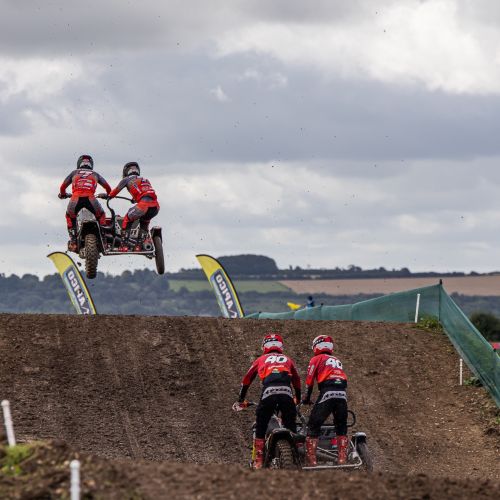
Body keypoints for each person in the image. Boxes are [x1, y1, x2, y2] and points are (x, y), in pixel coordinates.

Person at [233, 333, 301, 469]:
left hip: (269, 392)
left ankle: (258, 460)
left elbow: (246, 379)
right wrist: (297, 398)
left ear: (264, 346)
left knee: (261, 423)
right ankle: (297, 456)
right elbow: (297, 381)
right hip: (287, 392)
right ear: (281, 346)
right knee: (291, 424)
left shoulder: (261, 359)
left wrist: (241, 399)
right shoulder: (287, 359)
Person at [301, 335, 349, 466]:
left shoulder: (316, 359)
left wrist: (306, 398)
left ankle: (311, 459)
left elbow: (309, 381)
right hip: (342, 394)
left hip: (327, 392)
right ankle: (342, 458)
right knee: (341, 425)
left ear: (317, 346)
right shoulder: (337, 360)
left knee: (313, 424)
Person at [59, 155, 111, 252]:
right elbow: (108, 187)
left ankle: (73, 241)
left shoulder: (74, 173)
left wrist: (63, 194)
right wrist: (107, 195)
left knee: (70, 216)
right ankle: (103, 239)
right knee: (101, 215)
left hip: (75, 199)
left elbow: (62, 187)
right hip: (91, 199)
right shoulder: (95, 174)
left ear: (79, 164)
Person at [107, 162, 160, 252]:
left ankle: (124, 245)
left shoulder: (126, 179)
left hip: (143, 205)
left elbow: (115, 191)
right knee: (144, 222)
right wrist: (135, 199)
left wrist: (108, 196)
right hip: (155, 206)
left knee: (127, 219)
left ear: (126, 172)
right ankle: (140, 245)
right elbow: (145, 193)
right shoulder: (145, 179)